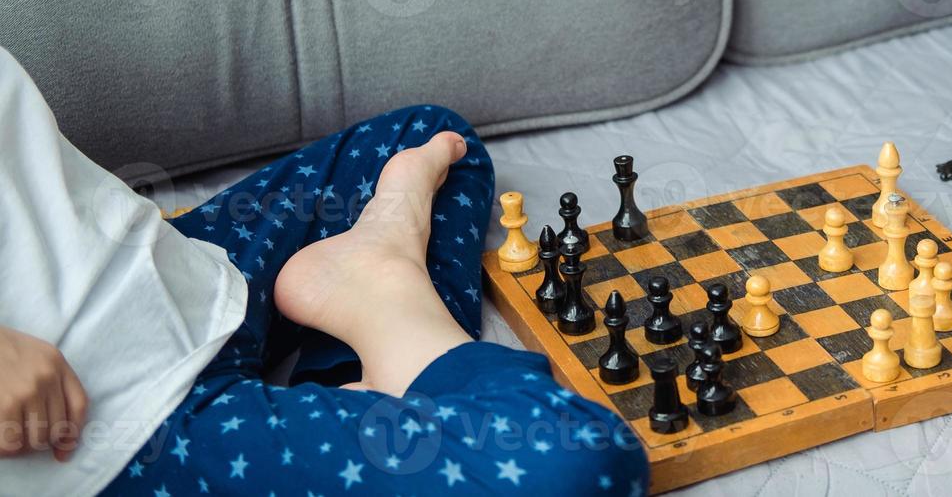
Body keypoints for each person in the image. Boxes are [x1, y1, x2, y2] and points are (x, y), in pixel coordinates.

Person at [0, 45, 650, 495]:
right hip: (125, 425)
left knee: (429, 137)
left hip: (184, 272)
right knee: (576, 462)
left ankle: (354, 377)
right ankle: (390, 317)